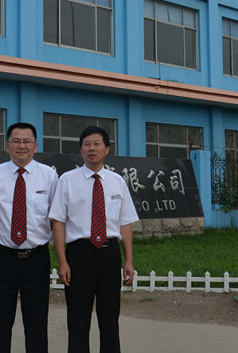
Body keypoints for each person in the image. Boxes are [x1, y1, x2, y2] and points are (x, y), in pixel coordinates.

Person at [50, 126, 139, 353]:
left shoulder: (117, 181)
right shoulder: (67, 180)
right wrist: (62, 262)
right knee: (78, 318)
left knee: (110, 317)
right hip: (79, 254)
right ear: (81, 150)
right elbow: (58, 222)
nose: (92, 148)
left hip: (109, 253)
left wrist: (128, 260)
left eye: (97, 144)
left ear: (107, 149)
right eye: (87, 144)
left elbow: (125, 223)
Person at [0, 122, 58, 353]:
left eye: (27, 141)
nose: (21, 146)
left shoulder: (49, 176)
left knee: (37, 323)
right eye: (16, 141)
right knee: (0, 322)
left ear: (35, 146)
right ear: (6, 146)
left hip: (36, 258)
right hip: (3, 258)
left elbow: (56, 218)